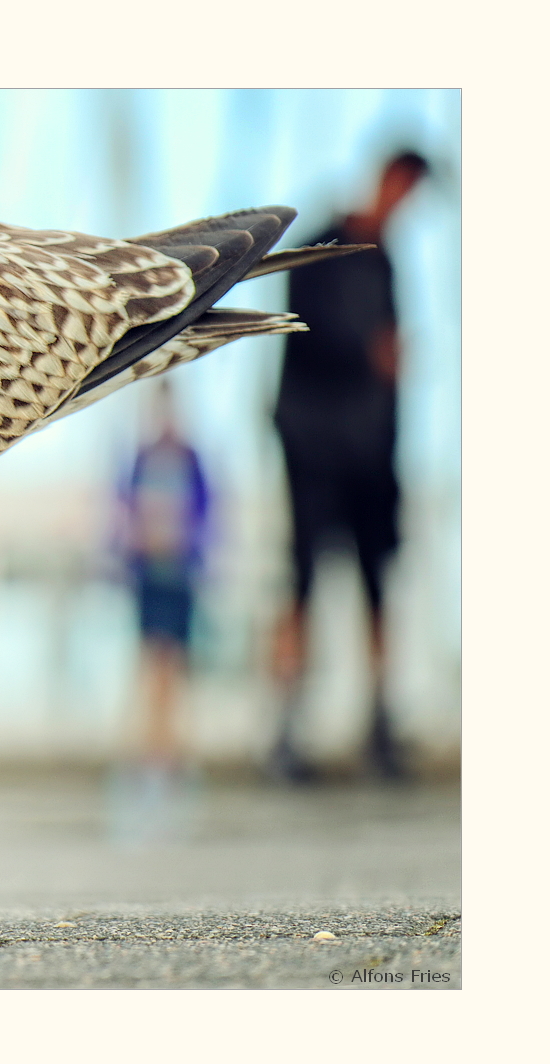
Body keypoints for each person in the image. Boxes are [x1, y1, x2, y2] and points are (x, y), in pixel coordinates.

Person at [269, 150, 430, 783]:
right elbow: (305, 338)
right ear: (388, 180)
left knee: (375, 585)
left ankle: (380, 722)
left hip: (371, 449)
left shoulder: (385, 259)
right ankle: (286, 727)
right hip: (313, 445)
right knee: (301, 583)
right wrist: (372, 354)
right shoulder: (322, 250)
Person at [109, 380, 210, 843]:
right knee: (150, 669)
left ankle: (173, 765)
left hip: (180, 579)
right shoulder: (140, 459)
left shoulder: (191, 460)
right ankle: (146, 765)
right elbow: (122, 517)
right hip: (148, 580)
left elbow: (209, 519)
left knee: (176, 674)